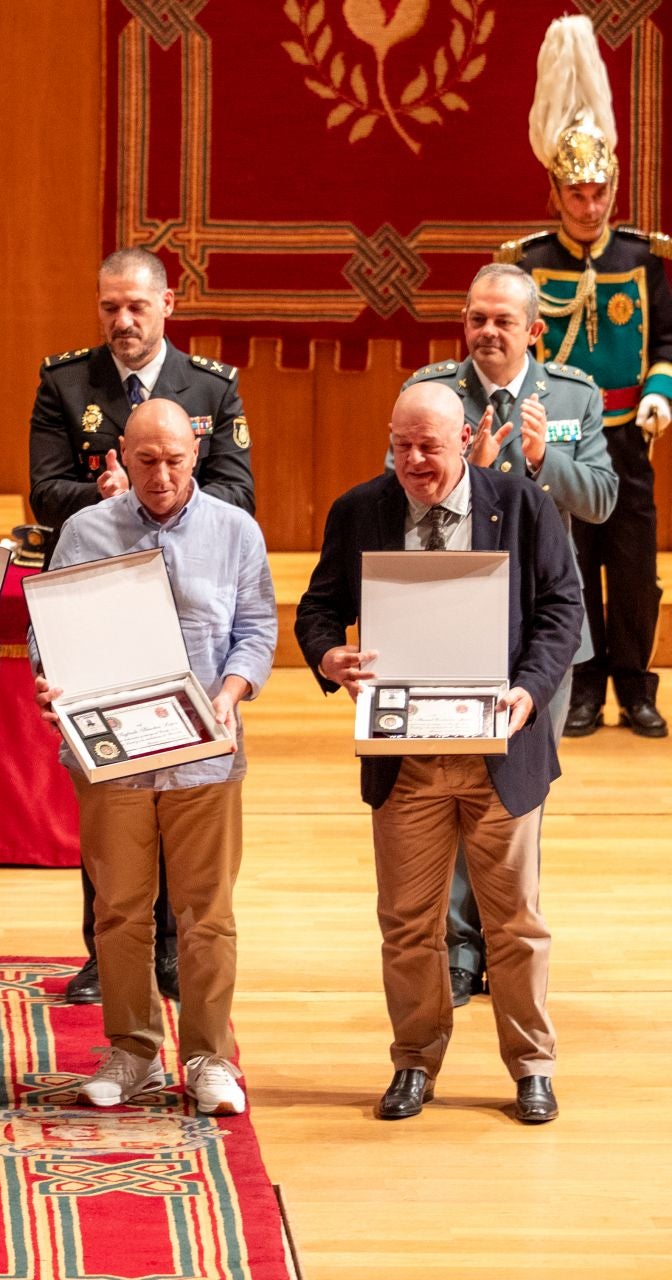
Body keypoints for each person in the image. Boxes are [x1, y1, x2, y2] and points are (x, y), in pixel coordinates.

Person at [295, 382, 581, 1124]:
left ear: (467, 438)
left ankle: (532, 1067)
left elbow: (561, 608)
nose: (414, 461)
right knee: (408, 921)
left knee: (514, 921)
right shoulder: (361, 510)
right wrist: (331, 658)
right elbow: (320, 608)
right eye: (401, 445)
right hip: (407, 758)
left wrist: (530, 689)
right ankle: (415, 1061)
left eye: (429, 445)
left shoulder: (521, 506)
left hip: (500, 749)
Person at [31, 400, 274, 1116]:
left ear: (195, 453)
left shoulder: (235, 532)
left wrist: (231, 693)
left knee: (208, 914)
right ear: (119, 461)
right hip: (113, 758)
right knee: (121, 909)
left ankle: (207, 1057)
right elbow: (53, 635)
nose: (160, 475)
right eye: (145, 461)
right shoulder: (84, 532)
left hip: (205, 754)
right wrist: (54, 689)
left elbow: (257, 630)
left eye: (173, 460)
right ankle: (133, 1050)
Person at [27, 248, 257, 1005]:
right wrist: (106, 495)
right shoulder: (66, 381)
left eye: (136, 307)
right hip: (106, 586)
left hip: (190, 610)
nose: (122, 321)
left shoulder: (213, 388)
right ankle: (110, 955)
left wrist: (167, 490)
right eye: (109, 308)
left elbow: (237, 489)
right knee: (115, 808)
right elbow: (44, 491)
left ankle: (170, 955)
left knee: (189, 819)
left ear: (167, 306)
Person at [399, 265, 614, 1006]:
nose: (486, 332)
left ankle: (507, 940)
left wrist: (538, 462)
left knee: (518, 798)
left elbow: (604, 500)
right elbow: (395, 482)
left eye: (501, 321)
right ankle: (459, 949)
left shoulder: (574, 397)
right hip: (449, 626)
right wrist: (469, 476)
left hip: (546, 636)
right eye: (475, 318)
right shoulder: (432, 393)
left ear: (534, 331)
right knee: (455, 790)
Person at [501, 14, 672, 738]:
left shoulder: (643, 257)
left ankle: (636, 686)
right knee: (566, 563)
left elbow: (665, 340)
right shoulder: (528, 262)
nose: (590, 204)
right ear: (556, 192)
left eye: (600, 193)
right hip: (558, 435)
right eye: (577, 193)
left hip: (629, 434)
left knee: (632, 566)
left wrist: (661, 395)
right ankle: (579, 688)